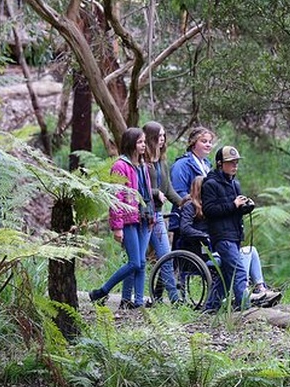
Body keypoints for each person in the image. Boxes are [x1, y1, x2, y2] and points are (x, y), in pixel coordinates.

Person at [180, 175, 281, 308]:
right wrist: (204, 235)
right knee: (240, 257)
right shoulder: (190, 207)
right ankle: (242, 291)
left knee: (251, 251)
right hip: (203, 251)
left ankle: (260, 287)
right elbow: (185, 228)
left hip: (219, 245)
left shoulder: (212, 207)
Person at [89, 128, 155, 309]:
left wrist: (152, 217)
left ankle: (134, 301)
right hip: (128, 219)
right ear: (131, 143)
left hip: (143, 217)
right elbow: (116, 198)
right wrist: (117, 226)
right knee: (135, 262)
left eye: (144, 142)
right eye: (140, 142)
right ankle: (101, 291)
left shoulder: (141, 165)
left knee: (140, 263)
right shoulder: (120, 166)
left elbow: (146, 194)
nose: (143, 145)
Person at [124, 122, 186, 305]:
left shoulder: (162, 163)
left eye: (164, 136)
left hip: (157, 216)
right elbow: (137, 189)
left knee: (166, 257)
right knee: (137, 261)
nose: (162, 139)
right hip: (143, 216)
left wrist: (184, 202)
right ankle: (127, 298)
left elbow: (168, 190)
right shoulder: (143, 163)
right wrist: (154, 193)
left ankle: (174, 298)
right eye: (159, 136)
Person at [201, 146, 256, 312]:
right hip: (222, 236)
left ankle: (210, 308)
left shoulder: (234, 184)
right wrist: (233, 205)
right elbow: (209, 211)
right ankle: (245, 310)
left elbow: (234, 210)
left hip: (234, 234)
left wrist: (246, 207)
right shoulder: (210, 184)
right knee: (239, 272)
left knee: (226, 274)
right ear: (220, 164)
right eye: (230, 162)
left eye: (236, 162)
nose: (234, 165)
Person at [168, 127, 215, 233]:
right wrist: (194, 207)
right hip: (186, 219)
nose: (208, 145)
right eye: (204, 141)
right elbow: (178, 192)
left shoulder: (207, 164)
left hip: (203, 220)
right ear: (193, 143)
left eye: (210, 142)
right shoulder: (181, 165)